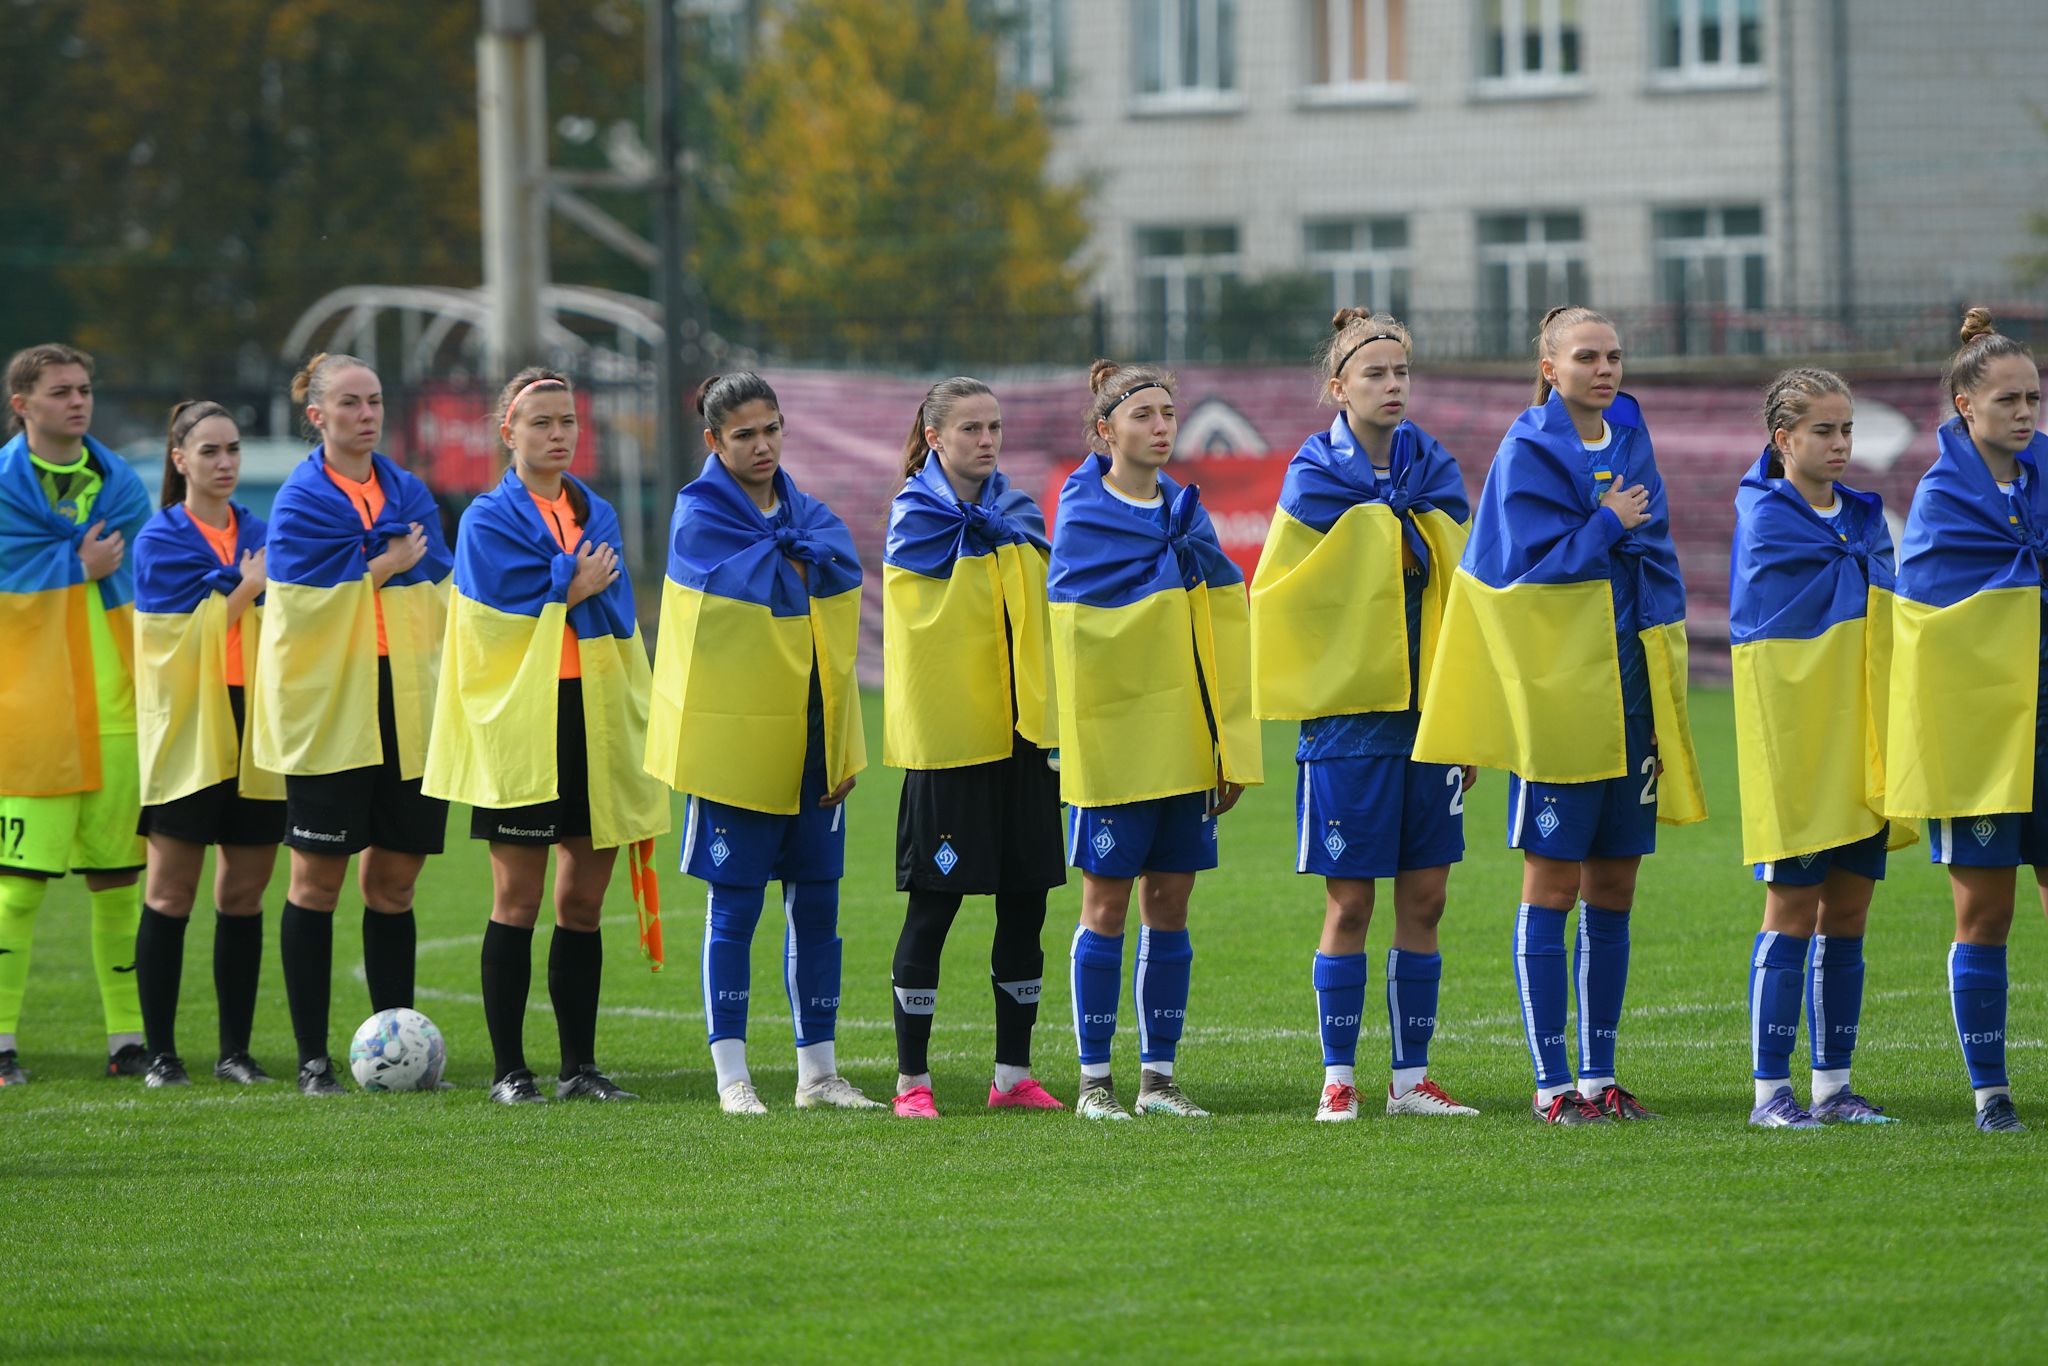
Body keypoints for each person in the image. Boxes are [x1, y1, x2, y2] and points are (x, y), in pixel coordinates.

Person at [1414, 306, 1706, 1125]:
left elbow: (1659, 556)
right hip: (1559, 694)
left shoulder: (1632, 436)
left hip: (1629, 691)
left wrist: (1660, 686)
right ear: (1550, 367)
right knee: (1552, 884)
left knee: (1614, 884)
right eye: (1586, 356)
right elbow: (1519, 578)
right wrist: (1607, 525)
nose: (1605, 369)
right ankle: (1550, 1086)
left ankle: (1600, 1077)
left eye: (1614, 355)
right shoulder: (1528, 450)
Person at [1250, 310, 1479, 1123]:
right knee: (1350, 903)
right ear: (1337, 387)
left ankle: (1411, 1080)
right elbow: (1283, 596)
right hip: (1349, 723)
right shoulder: (1314, 474)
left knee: (1426, 901)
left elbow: (1466, 586)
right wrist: (1381, 532)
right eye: (1375, 375)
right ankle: (1338, 1077)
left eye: (1401, 374)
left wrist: (1468, 710)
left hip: (1431, 718)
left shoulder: (1434, 468)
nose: (1392, 387)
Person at [425, 368, 670, 1105]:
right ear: (508, 433)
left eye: (567, 420)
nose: (558, 433)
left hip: (592, 715)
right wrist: (569, 585)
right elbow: (498, 610)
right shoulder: (485, 519)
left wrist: (569, 586)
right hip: (524, 720)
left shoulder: (597, 510)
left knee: (584, 905)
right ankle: (508, 1071)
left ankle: (579, 1068)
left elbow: (613, 602)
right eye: (541, 422)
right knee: (517, 899)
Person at [644, 372, 880, 1114]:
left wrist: (843, 739)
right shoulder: (697, 514)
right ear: (713, 441)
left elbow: (835, 576)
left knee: (818, 910)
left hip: (811, 744)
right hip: (734, 747)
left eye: (771, 429)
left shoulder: (808, 512)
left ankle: (819, 1074)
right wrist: (791, 566)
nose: (762, 445)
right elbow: (729, 595)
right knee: (734, 911)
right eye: (744, 434)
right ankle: (733, 1077)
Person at [1048, 359, 1263, 1121]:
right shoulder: (1081, 511)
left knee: (1170, 904)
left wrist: (1227, 742)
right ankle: (1094, 1083)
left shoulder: (1187, 512)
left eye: (1168, 413)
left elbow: (1220, 629)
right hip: (1114, 743)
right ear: (1105, 430)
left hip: (1184, 741)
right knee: (1104, 906)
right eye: (1143, 415)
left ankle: (1158, 1080)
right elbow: (1079, 639)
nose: (1162, 426)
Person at [253, 352, 453, 1096]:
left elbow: (436, 584)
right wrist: (383, 563)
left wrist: (399, 562)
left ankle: (394, 1050)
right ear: (318, 416)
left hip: (406, 706)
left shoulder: (408, 489)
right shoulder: (302, 499)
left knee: (395, 884)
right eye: (348, 404)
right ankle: (312, 1059)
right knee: (317, 882)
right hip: (331, 711)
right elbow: (295, 606)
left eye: (373, 401)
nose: (365, 415)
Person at [882, 377, 1065, 1118]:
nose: (987, 441)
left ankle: (1013, 1075)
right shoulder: (915, 516)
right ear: (934, 438)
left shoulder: (1016, 511)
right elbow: (920, 627)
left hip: (1023, 741)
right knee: (934, 911)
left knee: (1026, 909)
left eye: (994, 427)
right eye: (970, 430)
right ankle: (911, 1082)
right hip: (952, 745)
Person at [1729, 368, 1907, 1128]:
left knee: (1852, 908)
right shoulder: (1767, 519)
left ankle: (1833, 1088)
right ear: (1784, 440)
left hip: (1861, 735)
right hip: (1799, 741)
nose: (1840, 444)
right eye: (1824, 431)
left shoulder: (1866, 517)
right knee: (1791, 906)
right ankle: (1771, 1092)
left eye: (1847, 431)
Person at [1886, 308, 2046, 1133]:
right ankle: (1991, 1093)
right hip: (1983, 730)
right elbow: (1930, 613)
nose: (2025, 414)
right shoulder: (1944, 496)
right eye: (2009, 400)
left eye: (2034, 399)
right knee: (1985, 914)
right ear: (1963, 405)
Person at [0, 343, 152, 1083]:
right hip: (31, 716)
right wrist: (73, 569)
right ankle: (0, 1043)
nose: (78, 401)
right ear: (21, 404)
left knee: (119, 884)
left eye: (85, 389)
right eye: (61, 391)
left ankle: (128, 1040)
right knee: (16, 889)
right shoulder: (3, 490)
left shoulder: (120, 487)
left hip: (118, 712)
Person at [131, 400, 285, 1088]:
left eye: (232, 451)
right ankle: (161, 1054)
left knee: (244, 897)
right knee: (170, 895)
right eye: (210, 452)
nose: (225, 464)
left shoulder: (261, 531)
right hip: (190, 727)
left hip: (254, 725)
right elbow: (162, 649)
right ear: (179, 461)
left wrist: (258, 590)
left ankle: (235, 1053)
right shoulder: (161, 540)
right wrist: (245, 592)